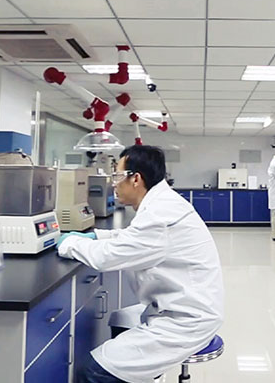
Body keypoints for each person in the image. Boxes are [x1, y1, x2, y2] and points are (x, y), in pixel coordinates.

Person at [56, 145, 225, 383]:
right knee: (119, 320)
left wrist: (69, 243)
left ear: (135, 179)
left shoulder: (160, 214)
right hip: (178, 307)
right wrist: (97, 235)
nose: (114, 183)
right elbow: (133, 238)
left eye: (117, 176)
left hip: (185, 321)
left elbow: (107, 257)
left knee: (94, 370)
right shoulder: (162, 204)